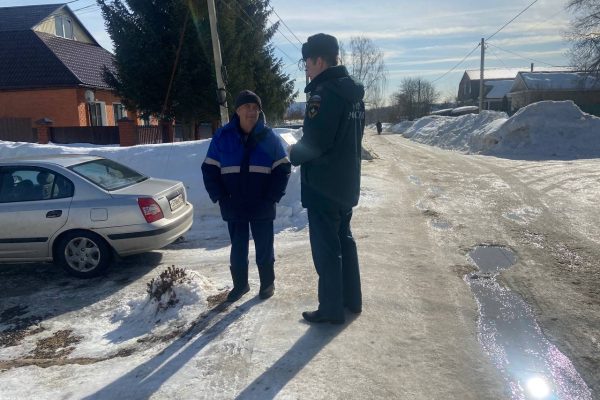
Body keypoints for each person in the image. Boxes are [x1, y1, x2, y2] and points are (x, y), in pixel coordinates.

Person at [289, 33, 365, 324]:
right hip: (346, 184)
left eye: (307, 61)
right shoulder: (352, 94)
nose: (306, 68)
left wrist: (293, 153)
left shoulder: (324, 94)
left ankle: (331, 309)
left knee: (327, 250)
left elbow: (315, 143)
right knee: (345, 241)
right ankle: (351, 300)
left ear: (319, 60)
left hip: (323, 186)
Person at [202, 90, 291, 302]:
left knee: (264, 246)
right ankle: (240, 285)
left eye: (256, 108)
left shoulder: (269, 138)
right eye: (247, 107)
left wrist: (271, 197)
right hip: (234, 204)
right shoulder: (223, 137)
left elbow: (283, 169)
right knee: (238, 247)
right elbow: (209, 170)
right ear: (238, 110)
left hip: (262, 203)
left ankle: (267, 283)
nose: (252, 112)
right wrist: (221, 198)